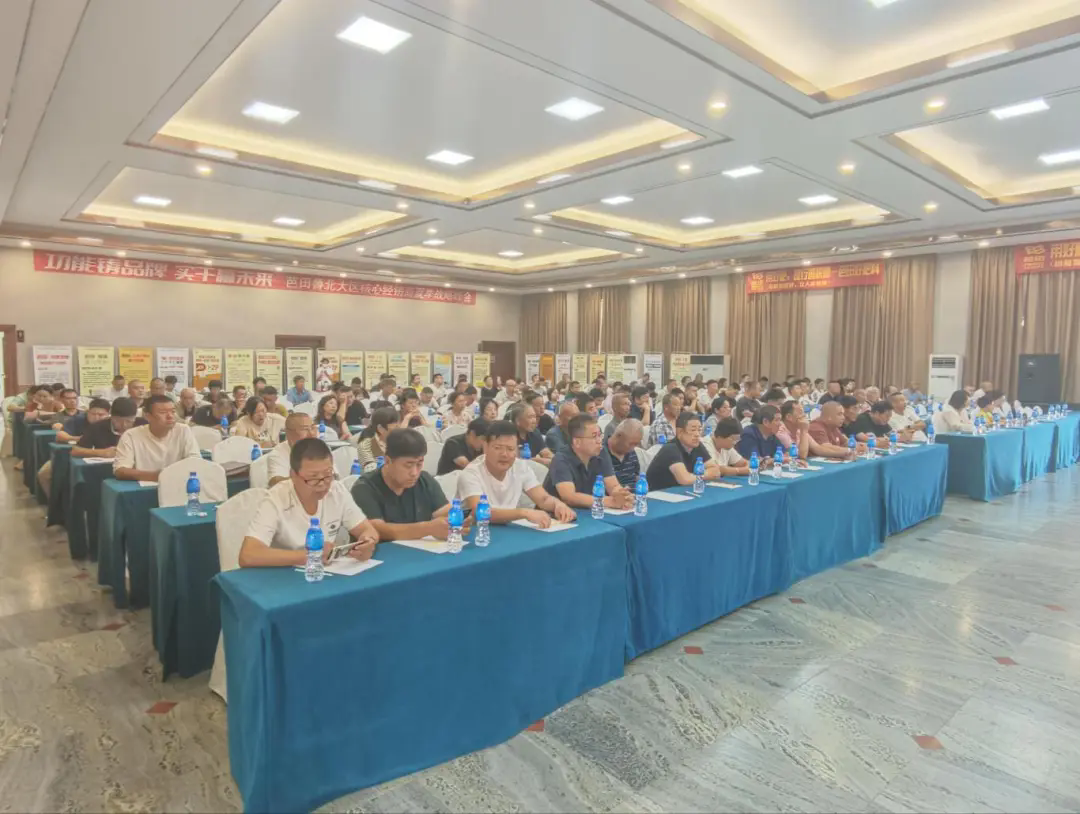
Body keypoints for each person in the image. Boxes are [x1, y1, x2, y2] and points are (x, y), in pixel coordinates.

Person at [238, 438, 378, 568]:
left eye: (327, 475)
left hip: (325, 572)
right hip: (285, 576)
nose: (322, 484)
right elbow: (248, 555)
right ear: (293, 475)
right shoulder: (276, 498)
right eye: (313, 478)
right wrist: (310, 556)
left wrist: (367, 542)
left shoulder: (336, 490)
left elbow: (368, 530)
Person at [351, 429, 465, 541]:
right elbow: (376, 529)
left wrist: (459, 520)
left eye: (419, 464)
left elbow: (445, 512)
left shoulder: (424, 480)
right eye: (408, 465)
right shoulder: (364, 488)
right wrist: (427, 528)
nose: (414, 473)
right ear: (388, 461)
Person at [457, 420, 575, 525]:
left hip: (507, 530)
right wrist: (523, 513)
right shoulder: (471, 473)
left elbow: (543, 499)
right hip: (474, 532)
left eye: (510, 449)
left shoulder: (520, 467)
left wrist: (558, 505)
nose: (504, 454)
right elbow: (480, 512)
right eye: (497, 448)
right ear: (485, 447)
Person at [543, 414, 633, 510]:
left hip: (587, 511)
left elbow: (613, 486)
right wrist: (610, 501)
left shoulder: (601, 452)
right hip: (556, 515)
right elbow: (569, 497)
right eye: (594, 436)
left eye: (600, 435)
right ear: (577, 442)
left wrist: (623, 496)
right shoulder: (561, 459)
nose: (599, 441)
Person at [113, 395, 200, 481]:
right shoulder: (131, 435)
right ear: (148, 416)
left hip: (178, 484)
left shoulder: (183, 430)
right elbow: (120, 470)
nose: (170, 416)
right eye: (163, 412)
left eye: (173, 412)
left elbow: (196, 462)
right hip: (144, 487)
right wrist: (155, 476)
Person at [646, 412, 721, 491]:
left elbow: (716, 470)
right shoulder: (670, 449)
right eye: (693, 430)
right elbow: (685, 479)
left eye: (699, 430)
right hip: (658, 494)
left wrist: (699, 476)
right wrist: (706, 475)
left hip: (680, 491)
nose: (697, 434)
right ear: (680, 432)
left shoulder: (697, 446)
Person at [72, 397, 139, 459]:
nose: (124, 425)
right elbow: (75, 451)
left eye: (129, 421)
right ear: (110, 415)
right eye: (118, 421)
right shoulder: (97, 427)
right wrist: (101, 452)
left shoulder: (141, 425)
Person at [266, 413, 318, 486]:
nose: (311, 434)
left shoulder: (321, 449)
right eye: (305, 429)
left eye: (313, 428)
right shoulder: (277, 454)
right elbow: (275, 482)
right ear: (289, 433)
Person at [357, 407, 399, 472]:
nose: (398, 432)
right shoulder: (366, 446)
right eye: (394, 429)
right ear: (380, 428)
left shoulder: (400, 442)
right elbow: (371, 473)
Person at [605, 418, 644, 488]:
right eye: (631, 444)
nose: (633, 448)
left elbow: (637, 477)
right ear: (619, 436)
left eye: (636, 444)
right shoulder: (600, 453)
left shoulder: (631, 452)